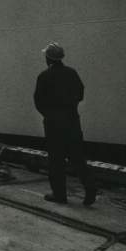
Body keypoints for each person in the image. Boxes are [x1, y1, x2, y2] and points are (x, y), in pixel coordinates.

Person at [33, 42, 96, 206]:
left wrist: (49, 114)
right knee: (77, 157)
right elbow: (80, 93)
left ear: (48, 58)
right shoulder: (72, 73)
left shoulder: (44, 76)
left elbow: (38, 100)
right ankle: (90, 187)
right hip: (72, 120)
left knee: (56, 160)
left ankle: (60, 195)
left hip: (54, 123)